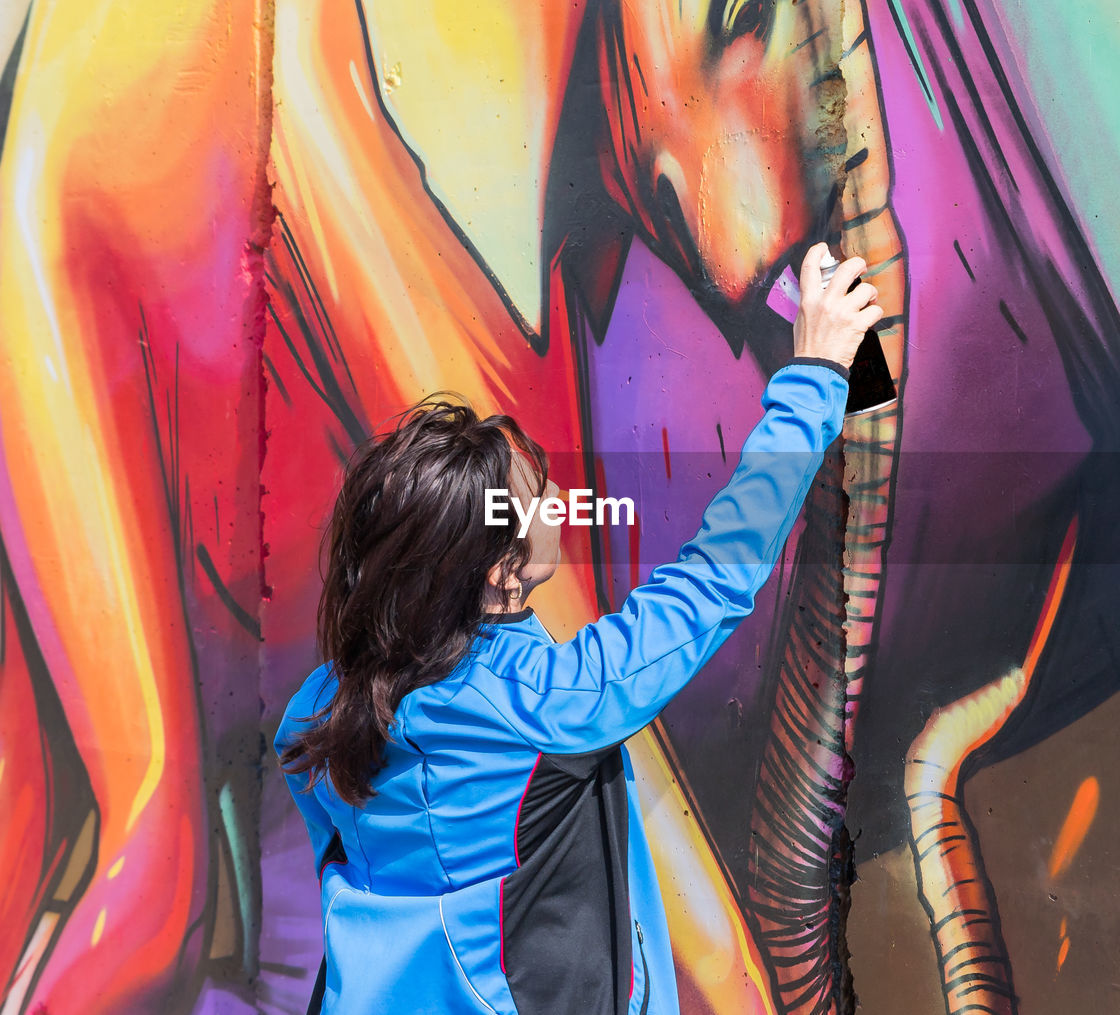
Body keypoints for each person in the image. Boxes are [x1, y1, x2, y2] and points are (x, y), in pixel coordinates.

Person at [274, 242, 882, 1015]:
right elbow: (719, 571)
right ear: (500, 570)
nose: (562, 494)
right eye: (538, 494)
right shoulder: (550, 704)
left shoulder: (320, 709)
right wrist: (818, 378)